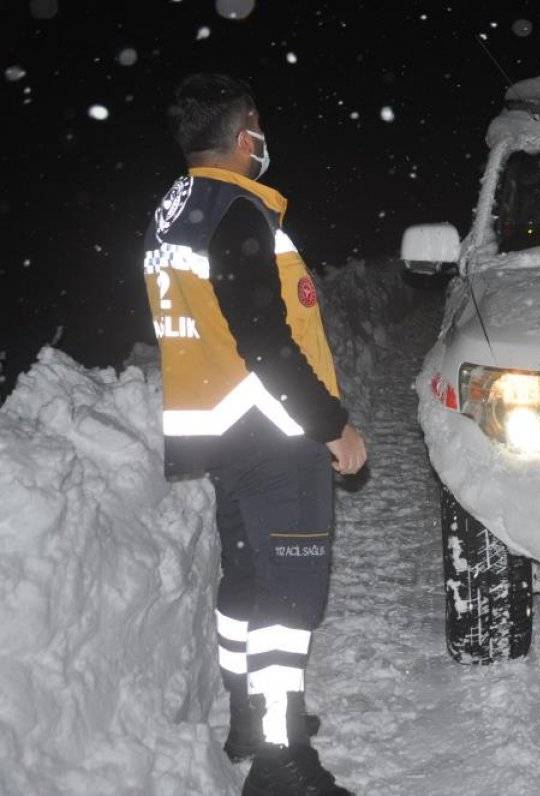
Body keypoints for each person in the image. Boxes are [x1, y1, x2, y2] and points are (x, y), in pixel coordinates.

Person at [143, 73, 364, 795]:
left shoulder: (176, 210)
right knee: (288, 608)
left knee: (247, 585)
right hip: (273, 434)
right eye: (258, 125)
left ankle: (250, 716)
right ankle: (281, 762)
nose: (263, 139)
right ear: (244, 135)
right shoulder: (237, 212)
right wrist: (329, 425)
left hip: (222, 432)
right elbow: (265, 339)